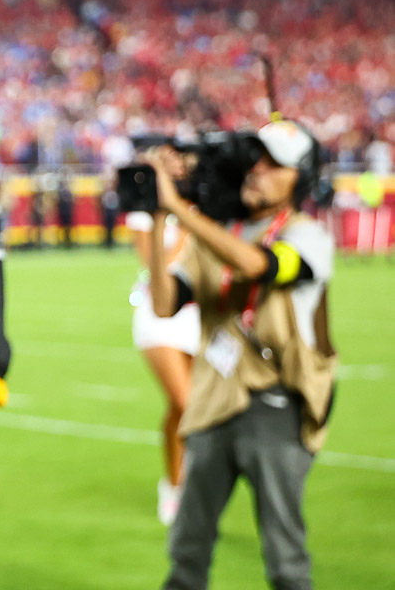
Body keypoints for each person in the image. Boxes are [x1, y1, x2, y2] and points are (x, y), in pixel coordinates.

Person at [144, 120, 336, 590]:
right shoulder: (218, 232)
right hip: (212, 400)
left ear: (301, 179)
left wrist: (182, 211)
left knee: (284, 558)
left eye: (276, 165)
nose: (259, 170)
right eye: (257, 159)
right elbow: (165, 302)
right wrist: (156, 217)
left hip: (276, 404)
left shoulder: (308, 234)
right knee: (187, 551)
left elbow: (256, 265)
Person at [127, 202, 198, 525]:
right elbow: (153, 264)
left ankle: (184, 478)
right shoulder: (144, 208)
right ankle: (173, 486)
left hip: (198, 309)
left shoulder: (201, 197)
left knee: (189, 404)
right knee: (184, 401)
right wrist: (185, 229)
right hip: (159, 310)